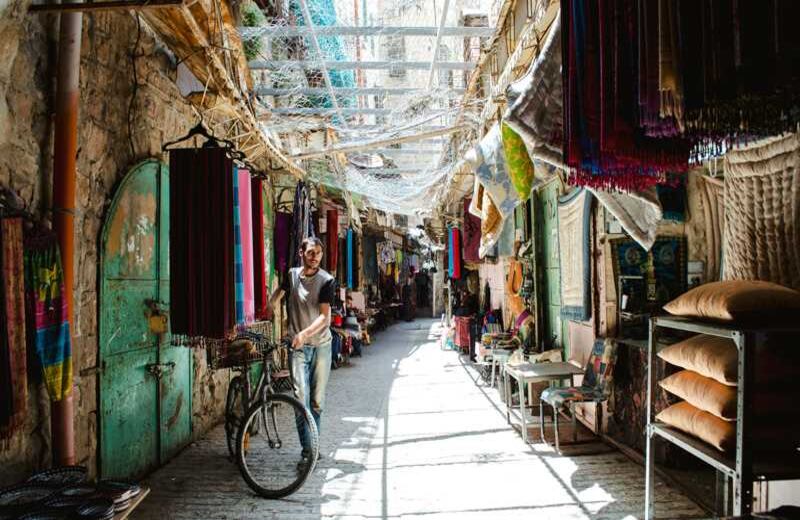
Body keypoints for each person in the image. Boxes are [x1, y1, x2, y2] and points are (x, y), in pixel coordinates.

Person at [270, 237, 334, 471]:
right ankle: (308, 452)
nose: (315, 256)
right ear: (301, 253)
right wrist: (269, 304)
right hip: (297, 348)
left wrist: (304, 334)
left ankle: (313, 447)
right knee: (300, 400)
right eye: (310, 253)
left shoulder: (327, 281)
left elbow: (325, 317)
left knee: (316, 402)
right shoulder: (292, 275)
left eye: (318, 253)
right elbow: (282, 291)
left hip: (321, 346)